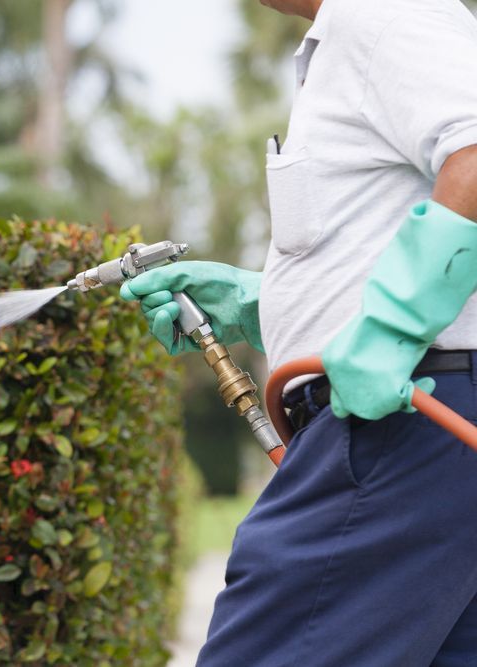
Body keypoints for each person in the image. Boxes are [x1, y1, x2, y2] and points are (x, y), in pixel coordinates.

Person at [120, 0, 477, 664]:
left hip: (398, 434)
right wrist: (258, 303)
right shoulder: (357, 37)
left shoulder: (387, 14)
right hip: (422, 432)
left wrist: (394, 326)